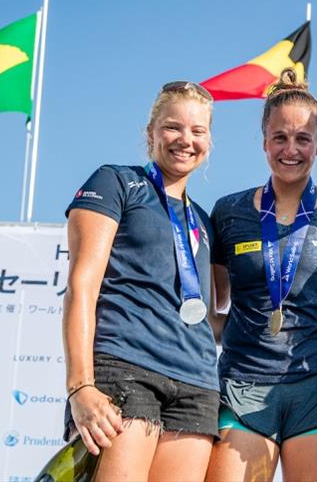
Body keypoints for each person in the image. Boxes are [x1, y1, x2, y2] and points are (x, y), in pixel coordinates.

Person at [62, 81, 219, 482]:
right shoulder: (114, 182)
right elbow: (82, 287)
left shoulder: (203, 220)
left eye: (198, 131)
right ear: (150, 133)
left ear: (209, 141)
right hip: (126, 369)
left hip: (197, 382)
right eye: (173, 127)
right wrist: (80, 386)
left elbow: (209, 317)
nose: (186, 140)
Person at [206, 69, 317, 482]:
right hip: (243, 383)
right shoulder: (229, 212)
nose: (291, 149)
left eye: (303, 138)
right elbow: (214, 308)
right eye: (280, 137)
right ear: (264, 140)